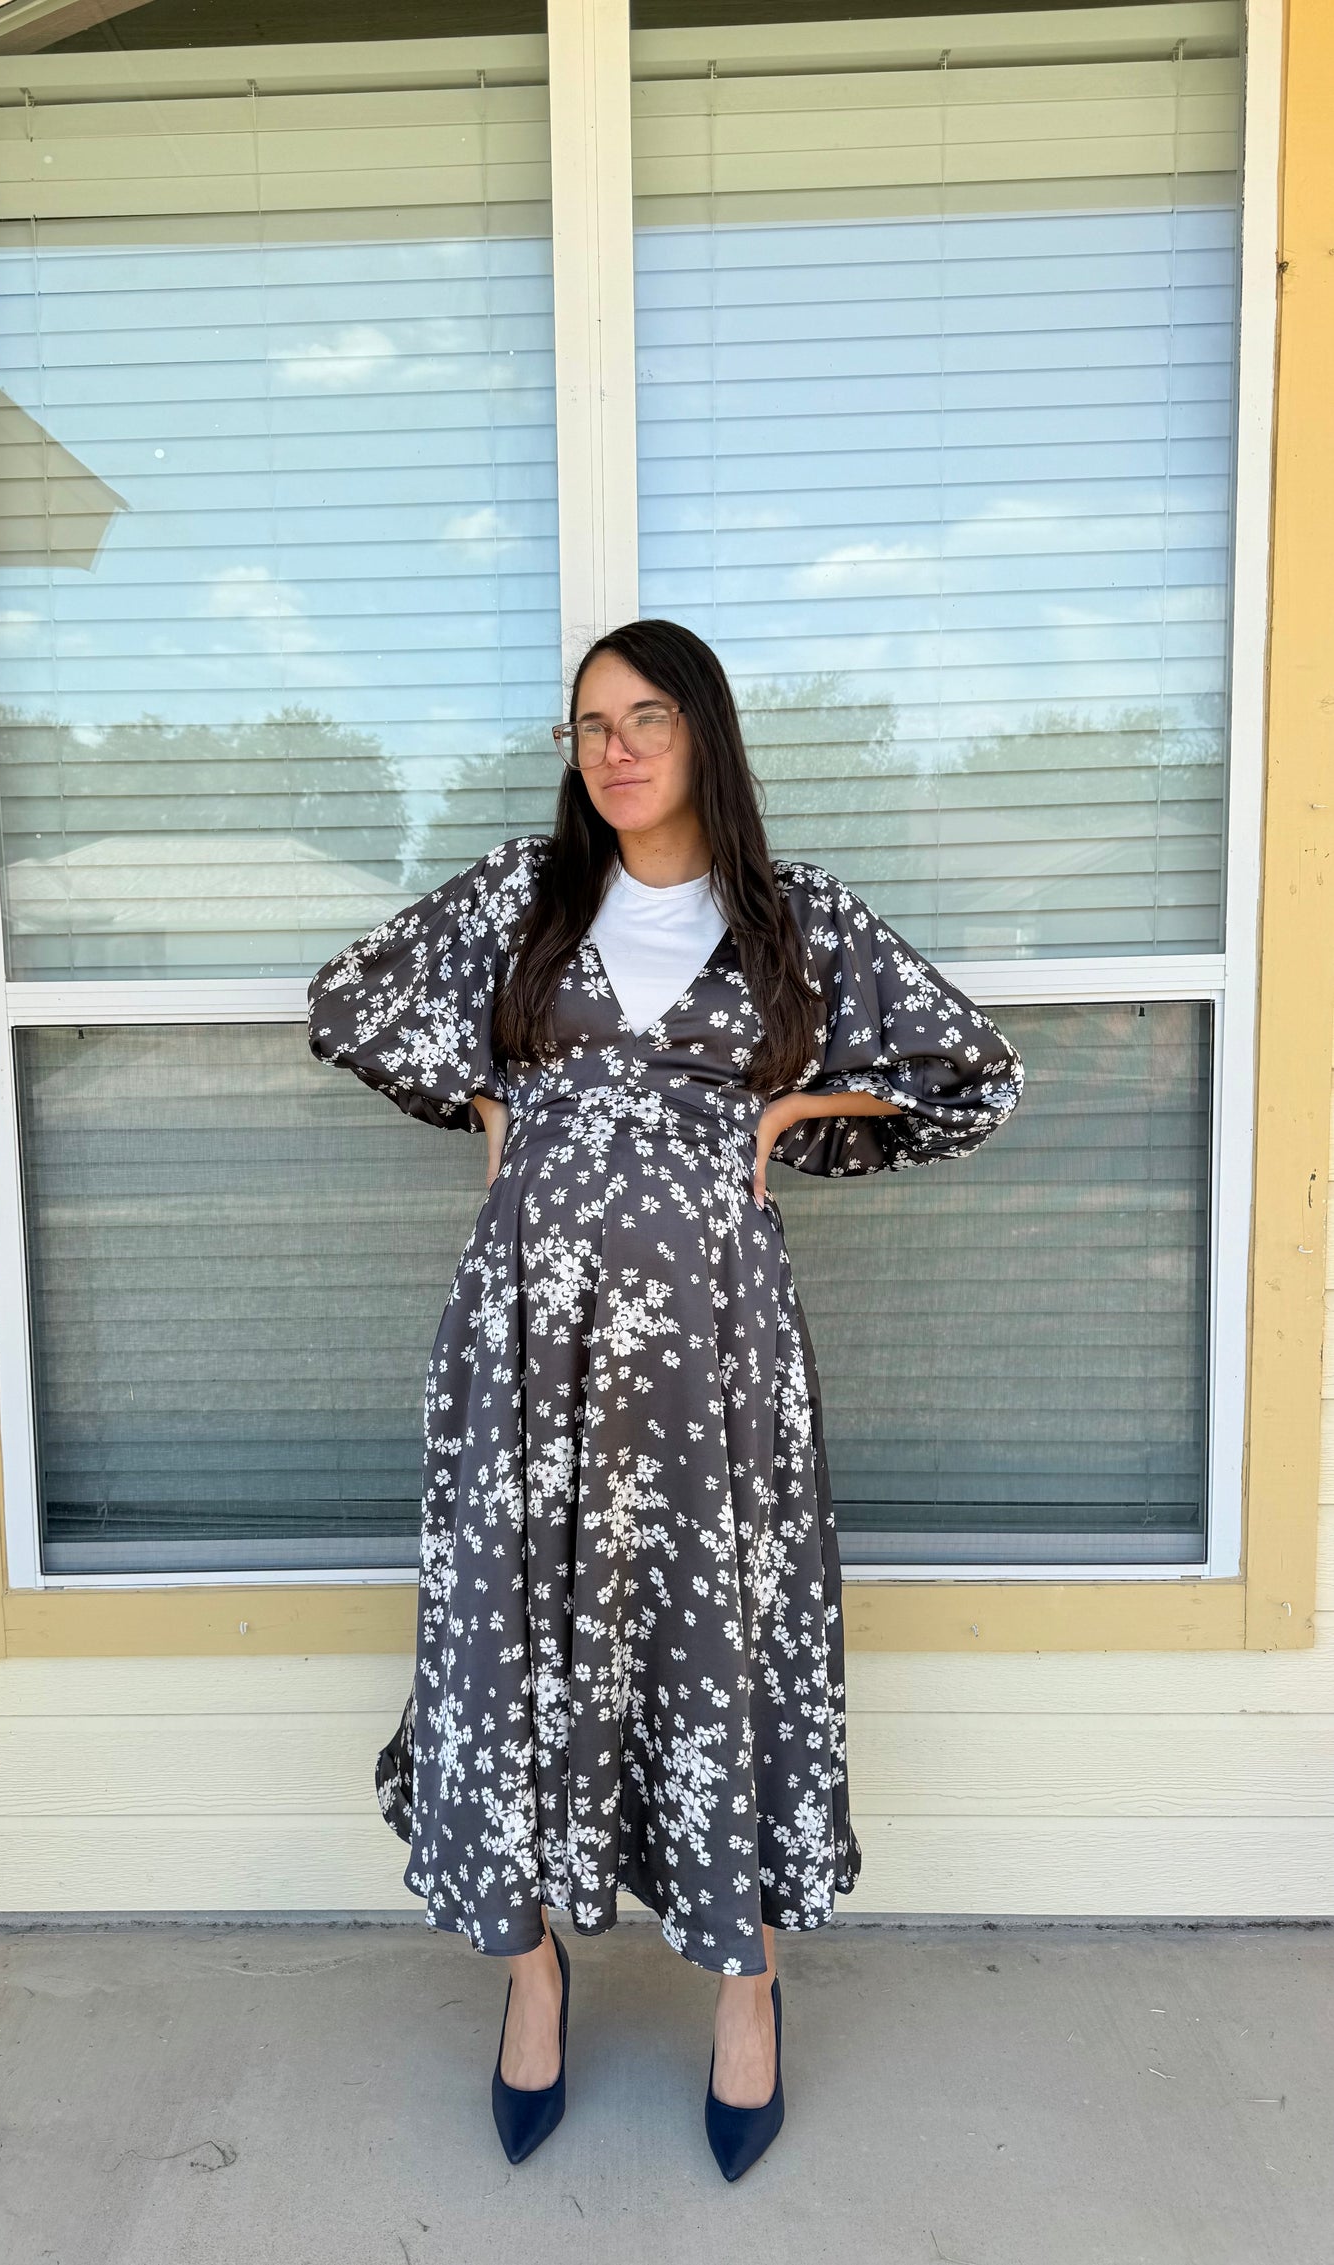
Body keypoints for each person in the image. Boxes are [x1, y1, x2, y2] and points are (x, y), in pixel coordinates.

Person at [306, 618, 1024, 2178]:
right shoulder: (524, 894)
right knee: (512, 1640)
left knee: (721, 1643)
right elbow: (350, 998)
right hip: (517, 1351)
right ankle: (530, 1969)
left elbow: (973, 1075)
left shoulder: (789, 919)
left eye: (644, 717)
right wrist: (492, 1097)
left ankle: (745, 1980)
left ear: (702, 732)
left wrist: (791, 1112)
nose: (613, 748)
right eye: (587, 725)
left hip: (715, 1363)